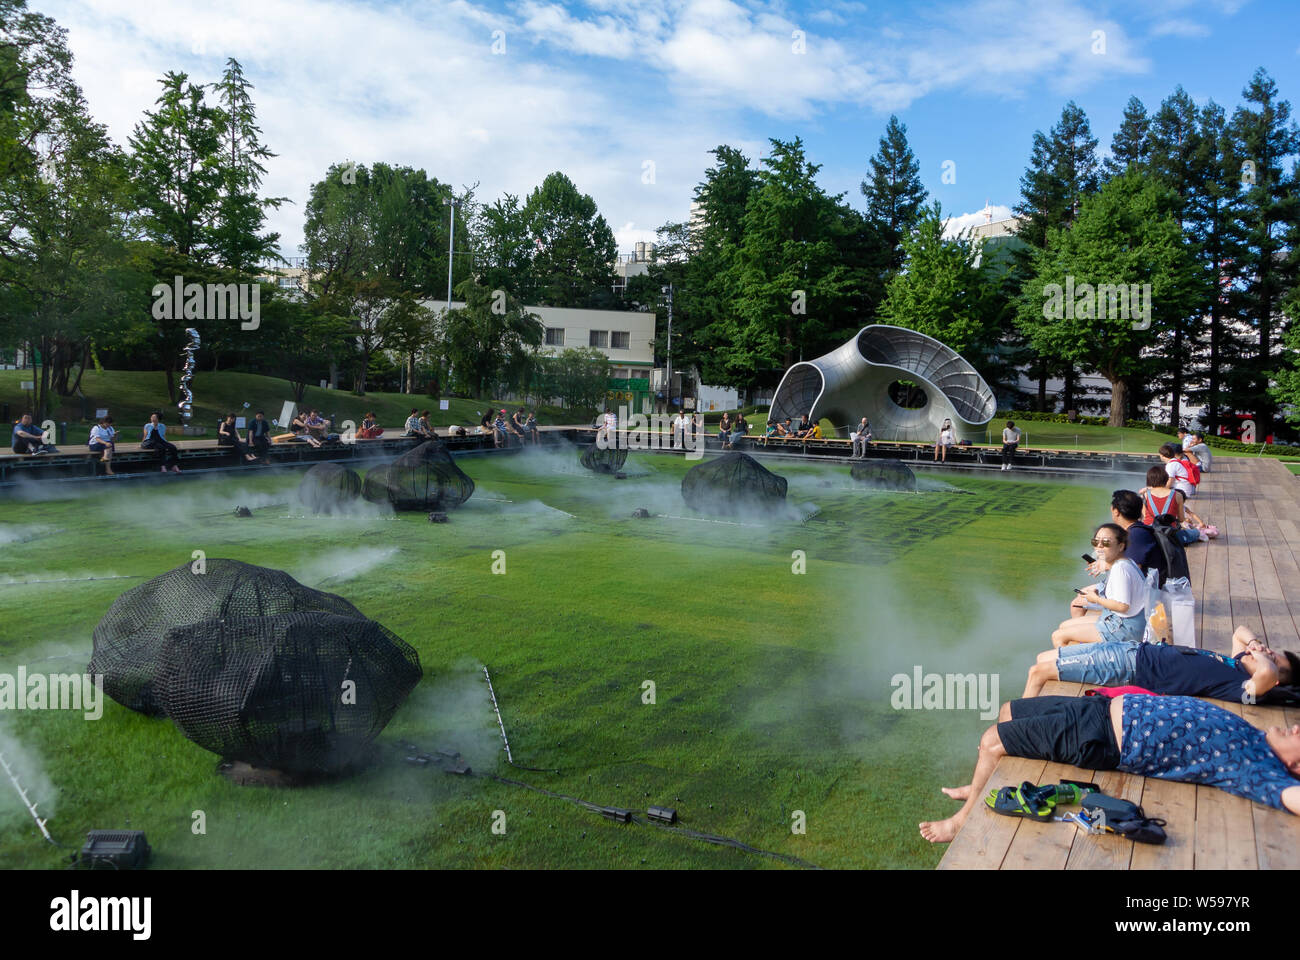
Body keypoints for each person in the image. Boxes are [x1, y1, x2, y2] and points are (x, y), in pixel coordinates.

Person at [919, 692, 1300, 843]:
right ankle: (978, 784)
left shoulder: (1255, 767)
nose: (1296, 726)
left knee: (992, 739)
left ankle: (961, 821)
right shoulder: (1255, 735)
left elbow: (1291, 797)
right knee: (1010, 711)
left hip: (1104, 738)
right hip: (1097, 709)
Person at [1023, 624, 1297, 699]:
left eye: (1272, 659)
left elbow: (1266, 675)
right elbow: (1240, 631)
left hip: (1130, 667)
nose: (1266, 653)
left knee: (1039, 671)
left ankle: (1012, 726)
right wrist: (1254, 644)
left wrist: (1263, 657)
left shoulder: (1245, 687)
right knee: (1042, 657)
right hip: (1133, 649)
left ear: (1274, 680)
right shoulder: (1237, 663)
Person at [1070, 489, 1168, 619]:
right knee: (1081, 594)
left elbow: (1132, 570)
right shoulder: (1135, 530)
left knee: (1076, 604)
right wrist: (1103, 562)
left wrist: (1105, 565)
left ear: (1115, 511)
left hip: (1138, 597)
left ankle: (1086, 634)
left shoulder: (1135, 535)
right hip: (1138, 590)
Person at [1053, 522, 1147, 647]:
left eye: (1106, 542)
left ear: (1120, 546)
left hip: (1125, 628)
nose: (1099, 546)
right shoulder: (1124, 562)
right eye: (1095, 542)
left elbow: (1123, 606)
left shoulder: (1121, 569)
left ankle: (1074, 664)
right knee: (1064, 626)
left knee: (1059, 636)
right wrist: (1103, 565)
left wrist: (1096, 599)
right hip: (1124, 622)